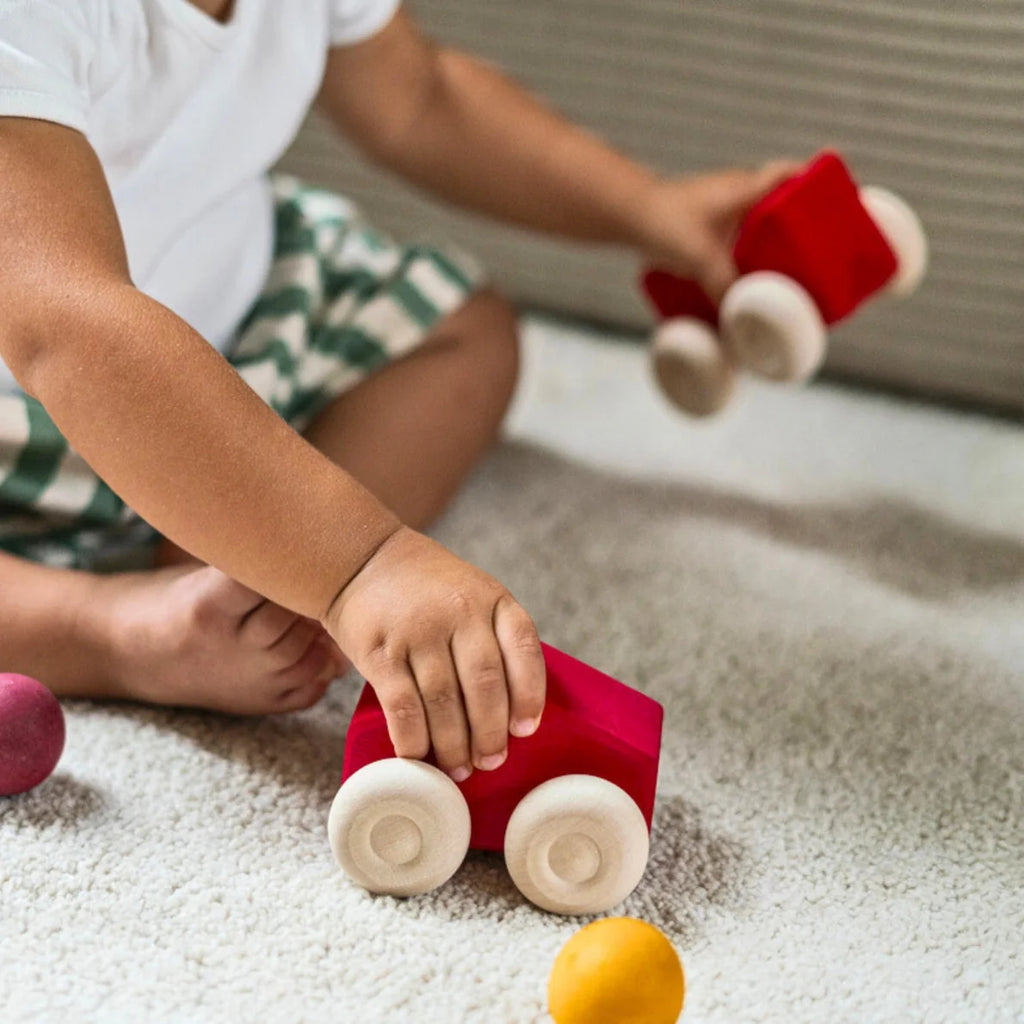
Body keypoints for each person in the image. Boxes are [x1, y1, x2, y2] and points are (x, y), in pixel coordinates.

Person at [0, 0, 795, 786]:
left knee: (464, 335)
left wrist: (648, 209)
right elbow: (68, 325)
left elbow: (420, 100)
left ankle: (235, 547)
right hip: (35, 378)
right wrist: (362, 564)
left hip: (228, 294)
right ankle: (109, 628)